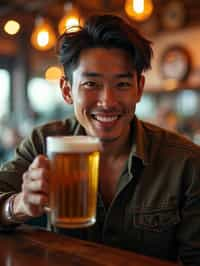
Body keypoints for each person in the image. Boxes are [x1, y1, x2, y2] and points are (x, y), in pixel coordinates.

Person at [0, 14, 200, 265]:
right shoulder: (45, 142)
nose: (107, 102)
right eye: (91, 83)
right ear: (66, 90)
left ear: (139, 88)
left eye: (122, 84)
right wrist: (18, 205)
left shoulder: (186, 162)